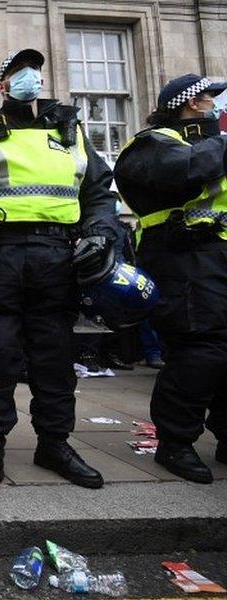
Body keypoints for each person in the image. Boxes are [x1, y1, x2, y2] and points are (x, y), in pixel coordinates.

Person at [0, 49, 119, 488]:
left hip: (58, 256)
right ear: (2, 86)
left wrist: (99, 232)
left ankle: (54, 442)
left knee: (55, 354)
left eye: (35, 71)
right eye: (19, 73)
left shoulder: (72, 134)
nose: (30, 79)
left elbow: (98, 194)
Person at [113, 74, 227, 482]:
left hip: (217, 256)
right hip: (185, 258)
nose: (217, 104)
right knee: (200, 350)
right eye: (211, 97)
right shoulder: (152, 143)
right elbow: (186, 172)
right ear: (191, 103)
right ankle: (175, 443)